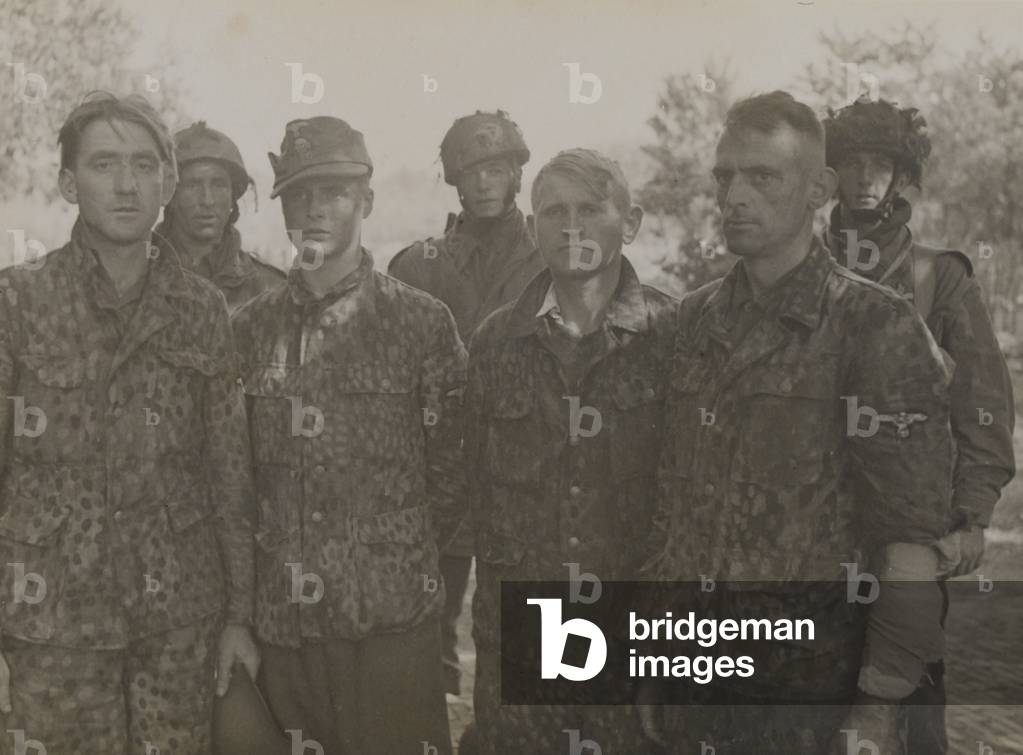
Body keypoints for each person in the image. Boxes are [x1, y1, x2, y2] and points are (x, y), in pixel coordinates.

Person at [641, 91, 955, 754]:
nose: (734, 196)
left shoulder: (874, 327)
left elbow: (908, 544)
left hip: (812, 698)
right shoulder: (685, 325)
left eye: (762, 176)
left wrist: (879, 702)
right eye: (724, 176)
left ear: (818, 188)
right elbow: (664, 515)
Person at [0, 92, 258, 754]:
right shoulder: (19, 302)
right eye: (104, 164)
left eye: (144, 165)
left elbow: (229, 474)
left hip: (176, 618)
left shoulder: (201, 310)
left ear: (166, 183)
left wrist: (238, 617)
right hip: (51, 620)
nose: (125, 184)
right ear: (67, 182)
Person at [231, 116, 466, 755]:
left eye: (333, 192)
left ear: (366, 200)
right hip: (284, 628)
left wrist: (393, 566)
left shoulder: (420, 323)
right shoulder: (247, 331)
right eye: (300, 195)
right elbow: (234, 484)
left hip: (389, 630)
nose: (315, 209)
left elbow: (451, 480)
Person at [465, 148, 677, 754]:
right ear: (532, 229)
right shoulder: (495, 342)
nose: (571, 225)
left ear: (630, 223)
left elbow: (693, 500)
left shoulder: (676, 337)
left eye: (590, 208)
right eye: (553, 211)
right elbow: (476, 492)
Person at [822, 95, 1016, 754]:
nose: (865, 178)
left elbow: (982, 403)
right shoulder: (797, 268)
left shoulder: (940, 277)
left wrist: (971, 513)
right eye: (851, 163)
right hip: (809, 523)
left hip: (910, 519)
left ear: (902, 174)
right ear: (831, 172)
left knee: (906, 695)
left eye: (881, 164)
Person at [388, 109, 544, 698]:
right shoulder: (419, 266)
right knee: (430, 624)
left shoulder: (552, 257)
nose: (484, 183)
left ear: (515, 176)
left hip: (529, 468)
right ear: (455, 179)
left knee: (529, 630)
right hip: (441, 471)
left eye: (497, 169)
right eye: (472, 171)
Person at [156, 121, 284, 313]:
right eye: (192, 185)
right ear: (171, 195)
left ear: (232, 197)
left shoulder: (269, 289)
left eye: (218, 185)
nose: (207, 200)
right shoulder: (137, 277)